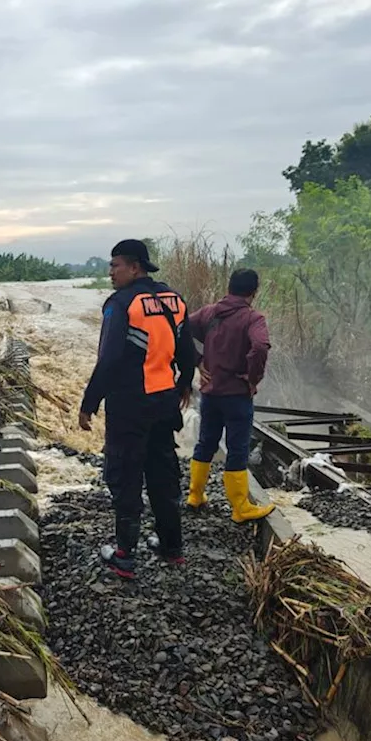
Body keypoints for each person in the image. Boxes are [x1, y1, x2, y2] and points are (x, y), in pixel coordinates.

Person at [79, 239, 196, 579]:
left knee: (126, 474)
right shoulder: (174, 299)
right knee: (163, 474)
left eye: (115, 265)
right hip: (164, 402)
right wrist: (185, 382)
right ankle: (172, 548)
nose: (110, 272)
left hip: (130, 405)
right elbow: (187, 349)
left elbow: (110, 359)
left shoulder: (121, 304)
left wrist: (89, 403)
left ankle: (124, 555)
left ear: (134, 267)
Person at [184, 268, 274, 523]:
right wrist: (252, 377)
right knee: (237, 448)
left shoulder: (210, 312)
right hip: (236, 394)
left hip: (210, 394)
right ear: (254, 292)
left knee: (206, 442)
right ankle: (240, 507)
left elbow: (179, 328)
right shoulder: (252, 319)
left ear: (229, 287)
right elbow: (259, 346)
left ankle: (195, 495)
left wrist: (197, 361)